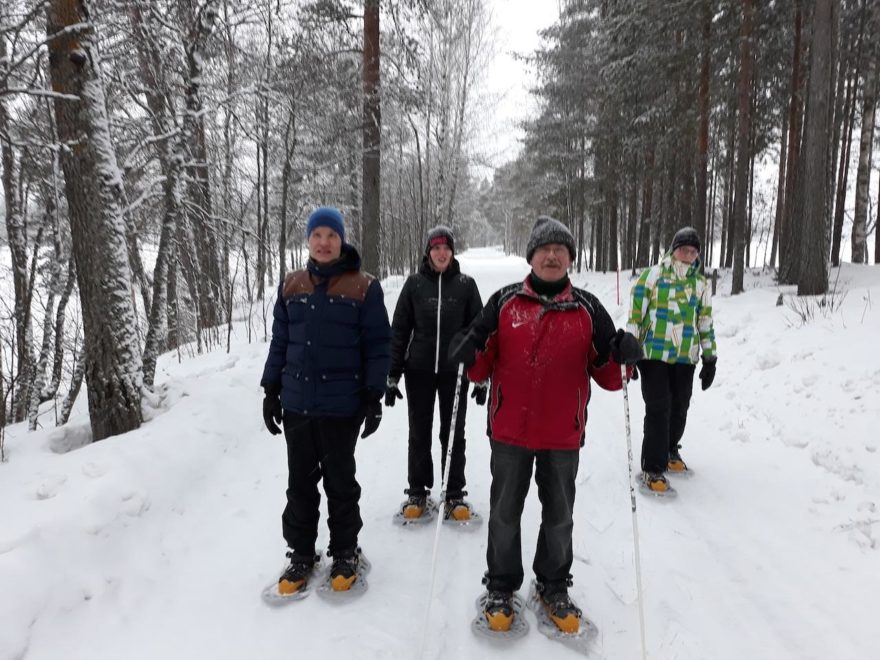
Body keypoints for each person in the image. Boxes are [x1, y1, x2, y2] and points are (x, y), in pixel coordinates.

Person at [450, 216, 642, 635]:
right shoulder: (504, 302)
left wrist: (625, 356)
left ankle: (553, 584)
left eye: (560, 250)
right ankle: (501, 585)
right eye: (544, 250)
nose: (552, 256)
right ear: (531, 257)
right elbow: (480, 366)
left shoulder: (588, 308)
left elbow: (609, 376)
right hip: (509, 433)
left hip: (562, 434)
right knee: (504, 514)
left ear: (570, 259)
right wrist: (466, 352)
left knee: (560, 516)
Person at [261, 206, 391, 595]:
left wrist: (373, 395)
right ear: (308, 240)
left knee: (340, 481)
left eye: (331, 235)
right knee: (299, 483)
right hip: (297, 402)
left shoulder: (364, 286)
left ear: (341, 239)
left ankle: (345, 551)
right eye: (317, 235)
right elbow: (281, 341)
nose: (324, 242)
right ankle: (301, 554)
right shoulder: (291, 285)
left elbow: (378, 344)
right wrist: (271, 390)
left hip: (342, 404)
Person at [386, 226, 483, 521]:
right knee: (419, 432)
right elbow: (400, 330)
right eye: (436, 248)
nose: (441, 253)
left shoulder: (466, 285)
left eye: (446, 248)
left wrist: (481, 376)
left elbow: (479, 332)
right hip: (419, 370)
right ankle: (417, 491)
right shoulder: (414, 285)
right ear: (428, 252)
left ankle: (453, 494)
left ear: (452, 252)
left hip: (455, 374)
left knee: (453, 433)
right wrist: (392, 375)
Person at [627, 226, 717, 494]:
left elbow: (705, 321)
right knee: (659, 406)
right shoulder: (652, 276)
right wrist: (630, 350)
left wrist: (710, 357)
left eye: (693, 250)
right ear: (673, 249)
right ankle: (652, 467)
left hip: (685, 356)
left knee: (680, 405)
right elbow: (635, 315)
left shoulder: (700, 284)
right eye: (683, 249)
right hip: (653, 353)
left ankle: (668, 449)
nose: (687, 254)